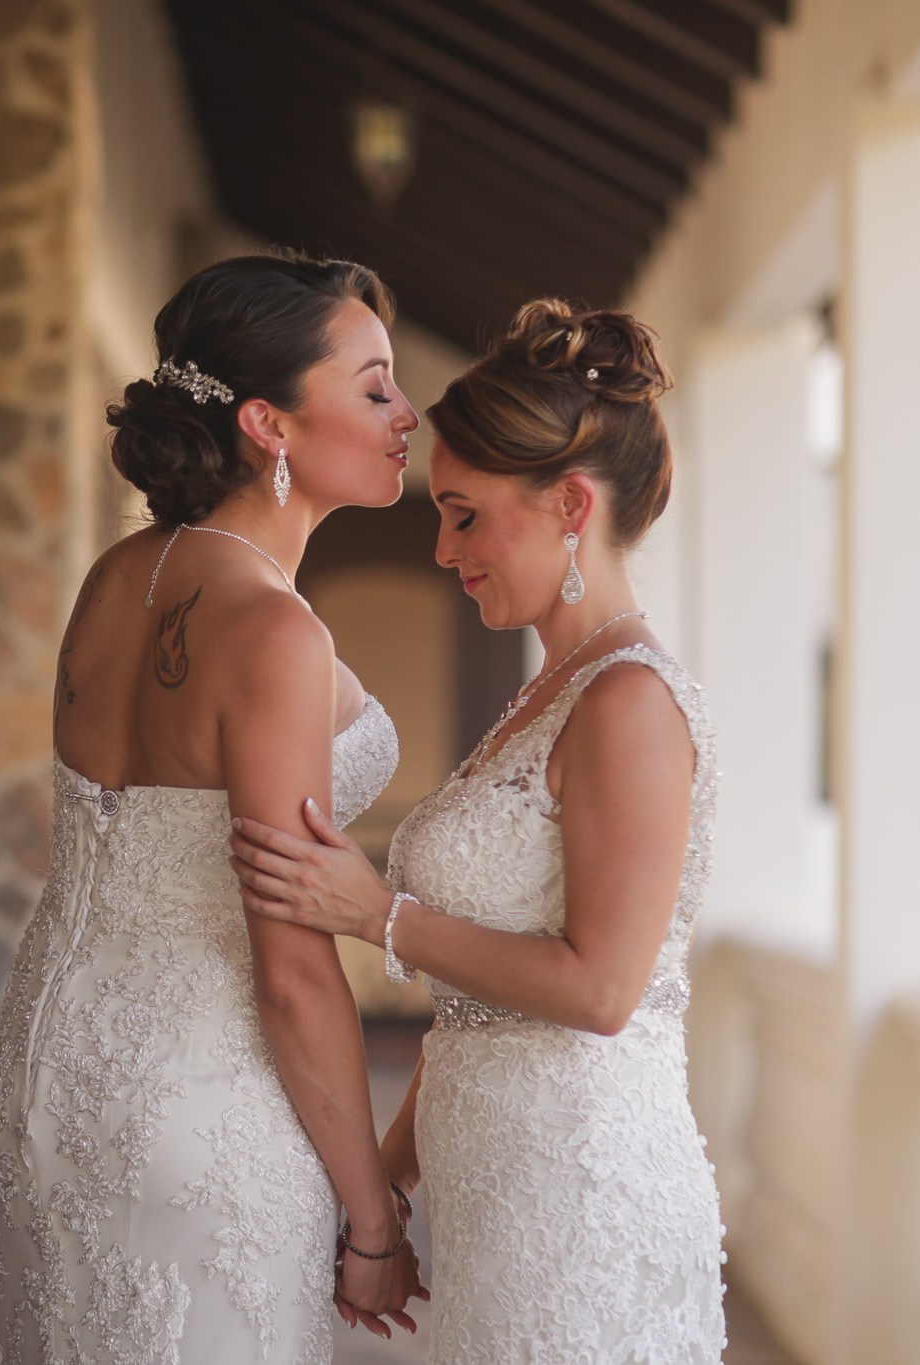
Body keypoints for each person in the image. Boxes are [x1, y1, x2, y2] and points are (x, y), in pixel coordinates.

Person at [230, 300, 728, 1362]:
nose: (445, 549)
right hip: (497, 1196)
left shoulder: (628, 702)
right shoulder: (545, 692)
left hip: (583, 1200)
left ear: (567, 505)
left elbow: (599, 991)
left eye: (463, 514)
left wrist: (376, 916)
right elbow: (472, 1023)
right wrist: (375, 1194)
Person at [0, 253, 429, 1362]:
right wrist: (371, 1215)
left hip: (51, 1058)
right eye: (372, 387)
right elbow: (286, 964)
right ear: (268, 424)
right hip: (198, 1089)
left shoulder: (117, 574)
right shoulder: (271, 633)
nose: (404, 412)